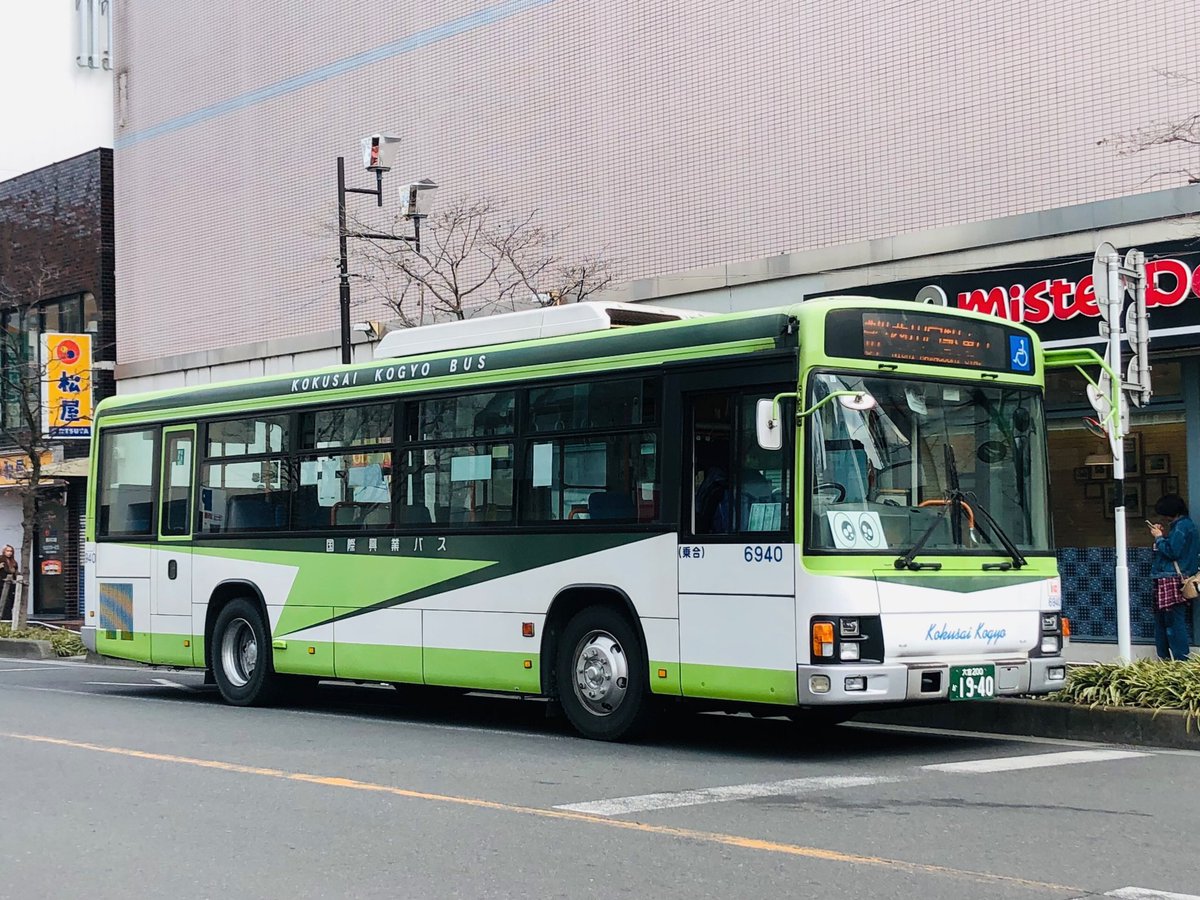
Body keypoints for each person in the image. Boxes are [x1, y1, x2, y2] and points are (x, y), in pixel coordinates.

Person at [1147, 494, 1199, 661]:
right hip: (1177, 576)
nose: (1164, 517)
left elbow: (1172, 551)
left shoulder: (1182, 527)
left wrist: (1159, 537)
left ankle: (1177, 659)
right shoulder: (1186, 526)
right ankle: (1171, 658)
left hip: (1171, 578)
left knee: (1172, 621)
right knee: (1169, 620)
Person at [0, 544, 19, 622]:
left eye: (11, 551)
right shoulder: (1, 559)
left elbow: (16, 573)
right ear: (4, 551)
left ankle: (8, 619)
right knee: (5, 603)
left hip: (11, 585)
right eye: (7, 551)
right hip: (1, 585)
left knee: (11, 602)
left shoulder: (13, 562)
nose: (9, 553)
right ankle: (5, 619)